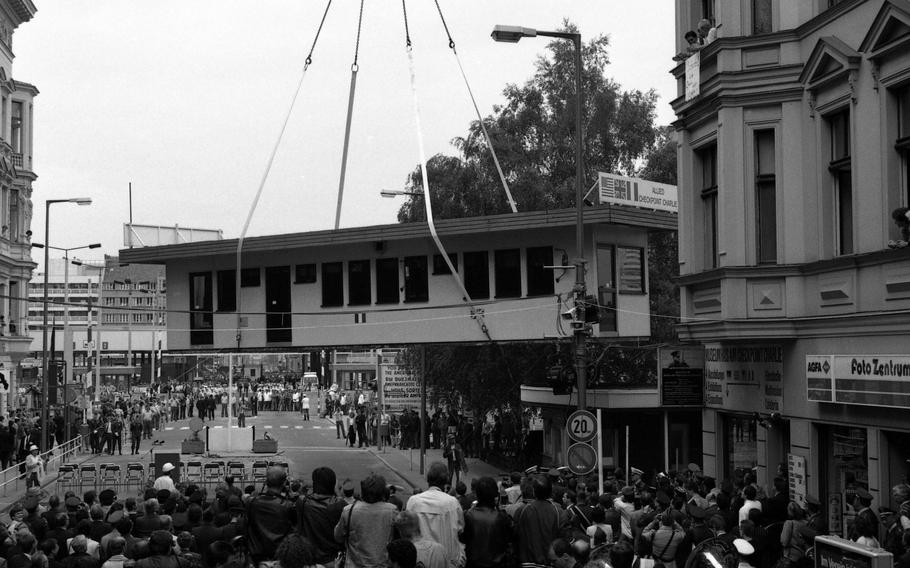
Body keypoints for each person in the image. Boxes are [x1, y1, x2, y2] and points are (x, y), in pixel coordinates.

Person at [334, 473, 397, 568]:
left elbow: (338, 536)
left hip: (354, 564)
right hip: (382, 564)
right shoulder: (392, 511)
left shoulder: (349, 510)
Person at [515, 474, 571, 567]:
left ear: (533, 491)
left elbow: (516, 537)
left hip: (527, 564)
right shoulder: (559, 512)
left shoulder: (522, 511)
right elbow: (565, 540)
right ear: (551, 491)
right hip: (551, 564)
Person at [296, 466, 346, 567]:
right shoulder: (339, 505)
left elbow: (300, 495)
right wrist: (337, 492)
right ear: (332, 485)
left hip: (309, 559)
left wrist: (303, 487)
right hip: (331, 559)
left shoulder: (302, 502)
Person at [461, 476, 513, 568]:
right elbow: (509, 539)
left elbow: (463, 538)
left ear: (477, 494)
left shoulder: (468, 515)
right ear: (495, 495)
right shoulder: (503, 517)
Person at [247, 466, 295, 563]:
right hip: (280, 556)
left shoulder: (251, 503)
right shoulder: (288, 506)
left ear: (266, 482)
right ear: (285, 483)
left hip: (257, 556)